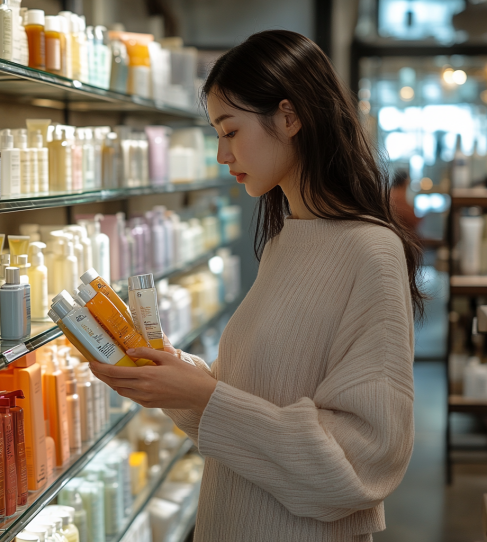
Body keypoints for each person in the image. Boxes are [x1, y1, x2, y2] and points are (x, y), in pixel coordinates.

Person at [90, 30, 424, 542]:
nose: (223, 154)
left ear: (289, 117)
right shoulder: (285, 240)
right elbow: (248, 400)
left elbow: (364, 459)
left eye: (230, 130)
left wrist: (205, 396)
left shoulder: (368, 251)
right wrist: (177, 379)